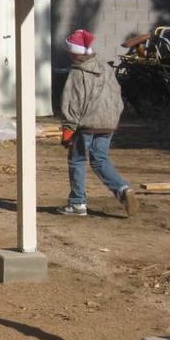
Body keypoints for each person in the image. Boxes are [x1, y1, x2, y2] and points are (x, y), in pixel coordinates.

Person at [57, 28, 139, 217]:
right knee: (99, 159)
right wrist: (114, 117)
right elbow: (116, 94)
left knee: (77, 159)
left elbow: (73, 101)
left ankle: (78, 203)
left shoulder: (78, 72)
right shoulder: (105, 68)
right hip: (108, 121)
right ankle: (122, 189)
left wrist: (68, 128)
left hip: (87, 122)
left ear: (73, 51)